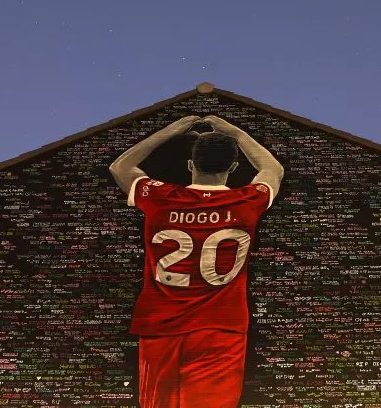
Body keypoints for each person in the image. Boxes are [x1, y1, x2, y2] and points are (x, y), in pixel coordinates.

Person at [109, 114, 284, 408]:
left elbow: (120, 167)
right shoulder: (247, 201)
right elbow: (272, 169)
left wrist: (171, 130)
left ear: (190, 165)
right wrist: (233, 131)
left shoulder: (160, 197)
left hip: (160, 325)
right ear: (233, 167)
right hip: (220, 326)